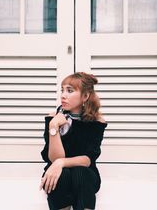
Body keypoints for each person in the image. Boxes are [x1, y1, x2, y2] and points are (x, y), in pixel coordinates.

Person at [39, 72, 107, 210]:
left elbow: (88, 159)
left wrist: (61, 162)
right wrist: (53, 127)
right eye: (62, 90)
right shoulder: (53, 119)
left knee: (80, 172)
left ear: (85, 96)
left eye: (70, 91)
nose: (63, 95)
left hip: (85, 175)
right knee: (62, 175)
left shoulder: (96, 123)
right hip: (57, 173)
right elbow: (54, 158)